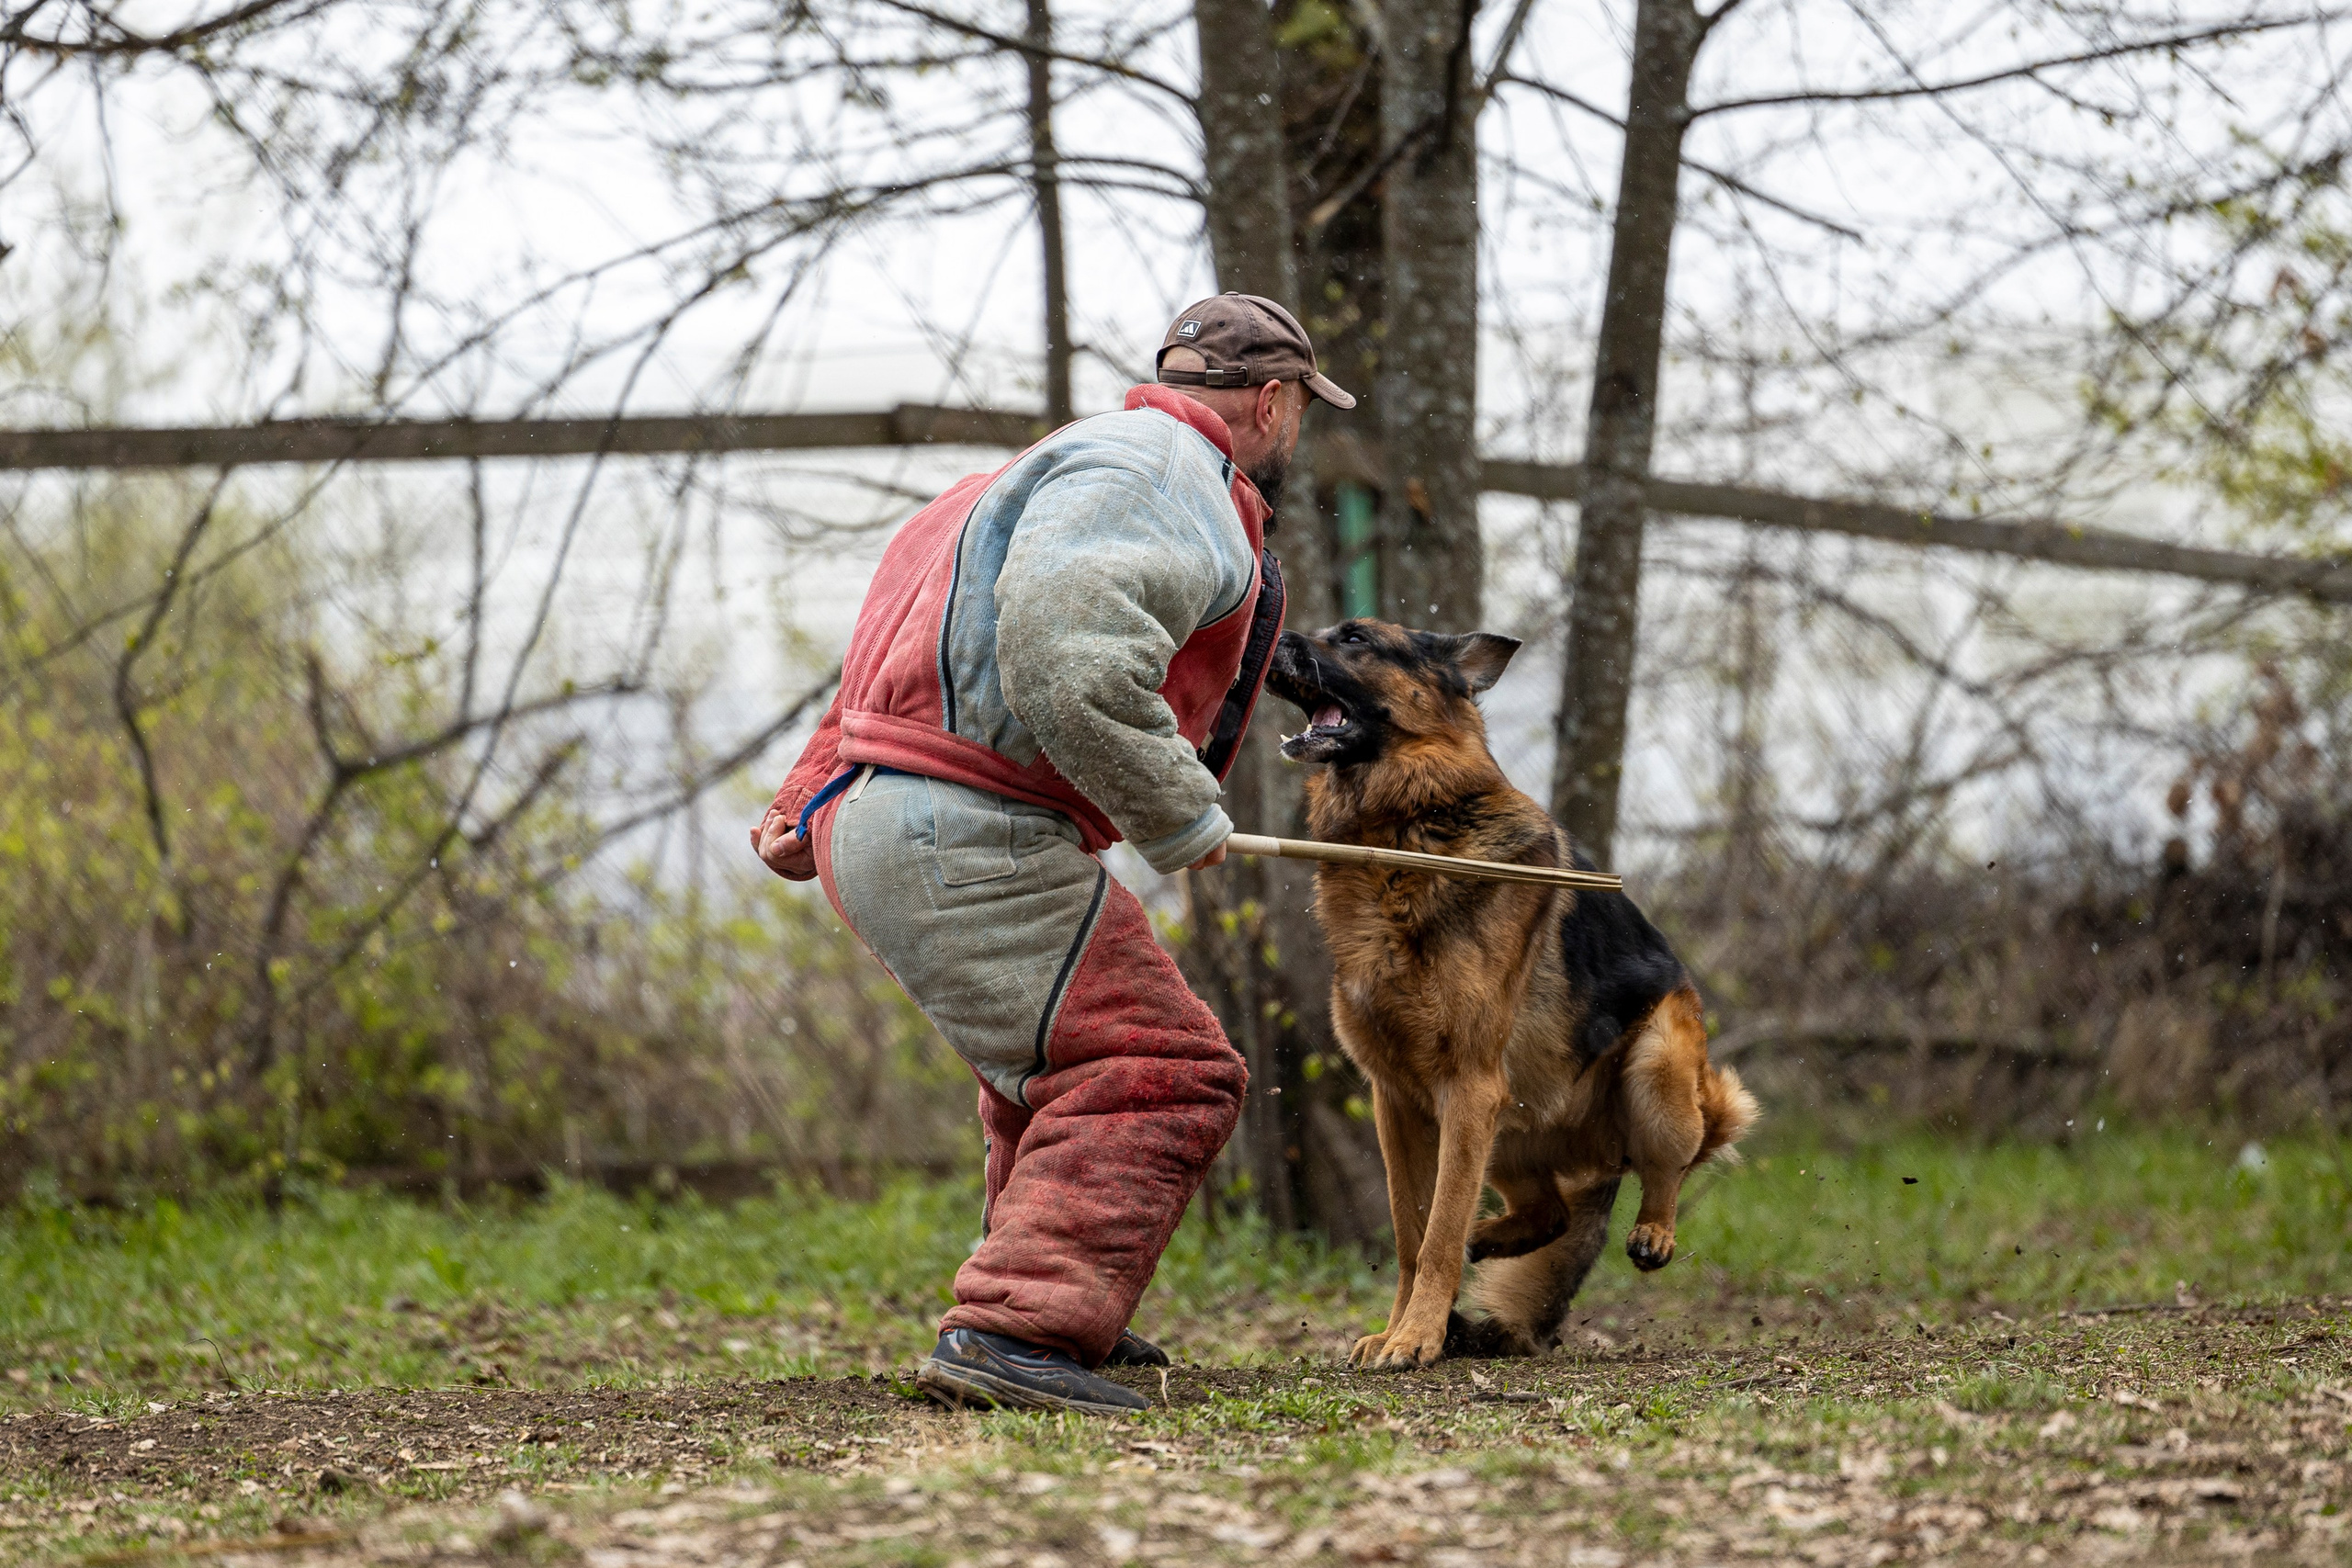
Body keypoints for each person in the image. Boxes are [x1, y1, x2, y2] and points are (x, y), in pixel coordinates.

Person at [752, 294, 1355, 1416]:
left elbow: (892, 632)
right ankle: (1014, 1327)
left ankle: (1053, 1301)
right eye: (1301, 411)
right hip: (962, 823)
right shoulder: (1165, 473)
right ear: (1273, 403)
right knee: (1159, 1069)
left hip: (879, 808)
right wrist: (1180, 816)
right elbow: (1068, 659)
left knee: (1043, 1071)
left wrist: (807, 793)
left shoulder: (1045, 466)